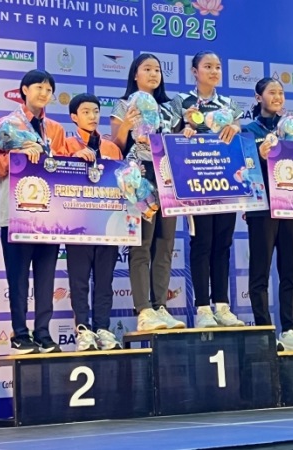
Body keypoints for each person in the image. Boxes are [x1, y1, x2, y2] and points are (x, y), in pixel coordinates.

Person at [0, 70, 67, 354]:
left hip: (50, 216)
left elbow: (64, 167)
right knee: (17, 278)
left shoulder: (56, 129)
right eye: (38, 87)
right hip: (16, 215)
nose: (44, 93)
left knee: (46, 277)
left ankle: (43, 332)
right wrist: (16, 157)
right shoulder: (6, 126)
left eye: (49, 89)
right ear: (24, 90)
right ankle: (20, 334)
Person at [111, 53, 185, 331]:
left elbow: (178, 141)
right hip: (139, 176)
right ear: (135, 74)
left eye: (157, 70)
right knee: (142, 244)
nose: (154, 74)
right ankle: (144, 310)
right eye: (147, 69)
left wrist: (186, 131)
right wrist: (127, 125)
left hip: (167, 175)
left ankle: (161, 307)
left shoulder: (171, 107)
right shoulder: (123, 104)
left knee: (165, 244)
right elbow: (116, 147)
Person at [171, 50, 244, 328]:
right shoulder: (182, 101)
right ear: (194, 71)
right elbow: (171, 135)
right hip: (195, 183)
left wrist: (235, 127)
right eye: (208, 66)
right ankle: (203, 308)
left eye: (218, 67)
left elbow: (239, 130)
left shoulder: (228, 104)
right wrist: (183, 130)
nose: (214, 71)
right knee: (202, 242)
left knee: (223, 243)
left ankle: (222, 307)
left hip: (226, 180)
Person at [242, 77, 293, 351]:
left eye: (281, 93)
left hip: (290, 207)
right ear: (258, 97)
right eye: (272, 92)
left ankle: (290, 330)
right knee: (259, 272)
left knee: (290, 272)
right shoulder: (248, 130)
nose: (278, 97)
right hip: (261, 208)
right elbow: (242, 169)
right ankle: (264, 332)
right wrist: (259, 155)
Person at [64, 93, 123, 350]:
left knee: (104, 281)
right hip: (77, 225)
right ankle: (83, 330)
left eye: (96, 111)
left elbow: (123, 182)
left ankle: (103, 328)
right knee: (78, 281)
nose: (92, 116)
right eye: (86, 112)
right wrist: (73, 160)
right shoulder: (66, 145)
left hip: (109, 225)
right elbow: (57, 178)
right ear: (74, 117)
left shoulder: (112, 148)